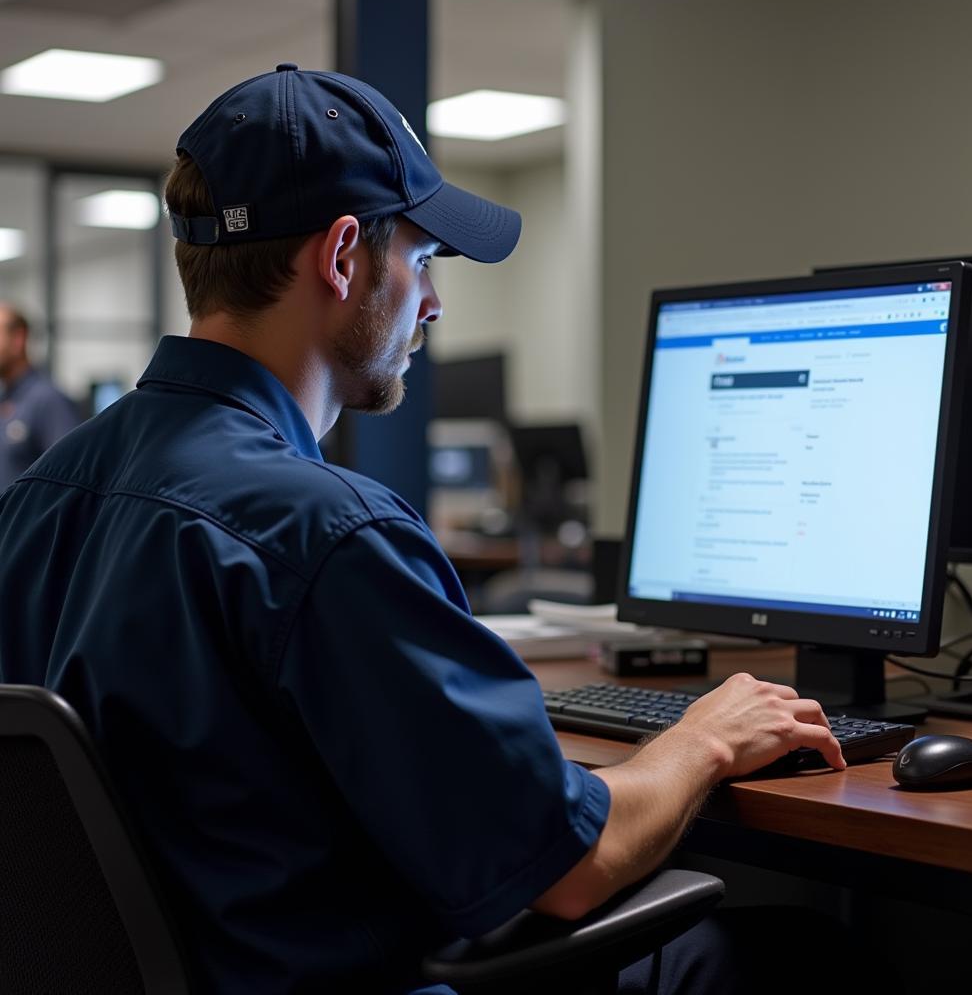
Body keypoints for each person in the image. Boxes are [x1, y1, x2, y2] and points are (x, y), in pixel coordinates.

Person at [0, 65, 846, 994]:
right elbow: (572, 867)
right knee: (787, 952)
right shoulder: (325, 535)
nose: (433, 304)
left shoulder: (32, 501)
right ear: (343, 255)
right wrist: (705, 736)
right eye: (424, 261)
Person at [0, 302, 80, 488]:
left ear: (18, 339)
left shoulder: (48, 400)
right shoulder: (6, 398)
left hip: (26, 517)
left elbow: (69, 477)